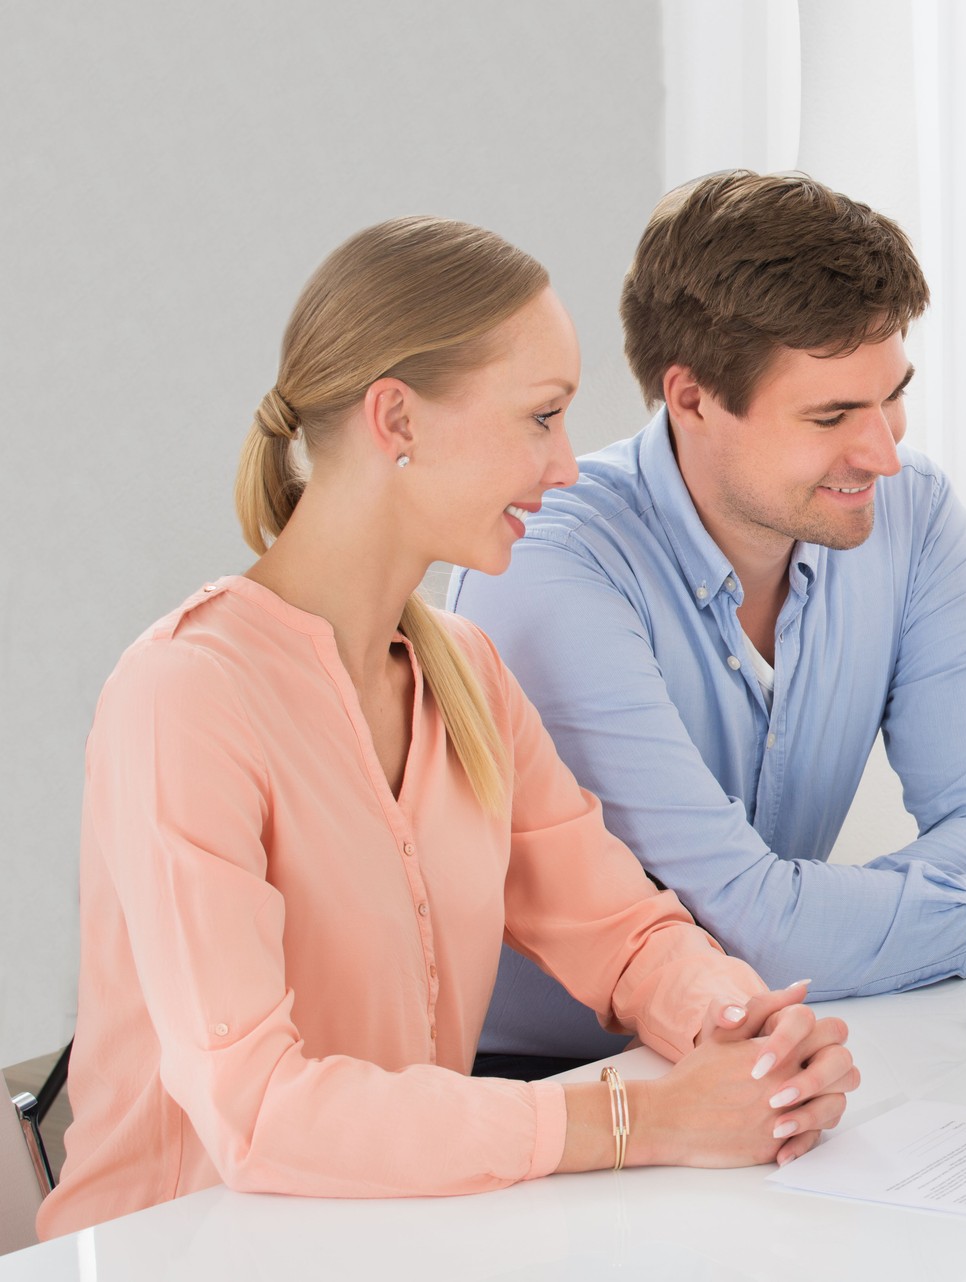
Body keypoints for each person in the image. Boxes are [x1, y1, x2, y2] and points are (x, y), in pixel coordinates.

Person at [38, 218, 856, 1239]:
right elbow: (257, 1112)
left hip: (395, 1239)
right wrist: (633, 1121)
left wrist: (746, 1031)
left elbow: (624, 932)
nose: (565, 467)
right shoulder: (186, 695)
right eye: (541, 417)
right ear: (397, 419)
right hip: (180, 1250)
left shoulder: (465, 673)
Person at [450, 170, 966, 1071]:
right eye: (831, 415)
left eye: (892, 394)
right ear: (691, 399)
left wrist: (805, 919)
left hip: (765, 1054)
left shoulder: (911, 513)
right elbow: (761, 937)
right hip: (549, 1087)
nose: (884, 452)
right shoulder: (553, 564)